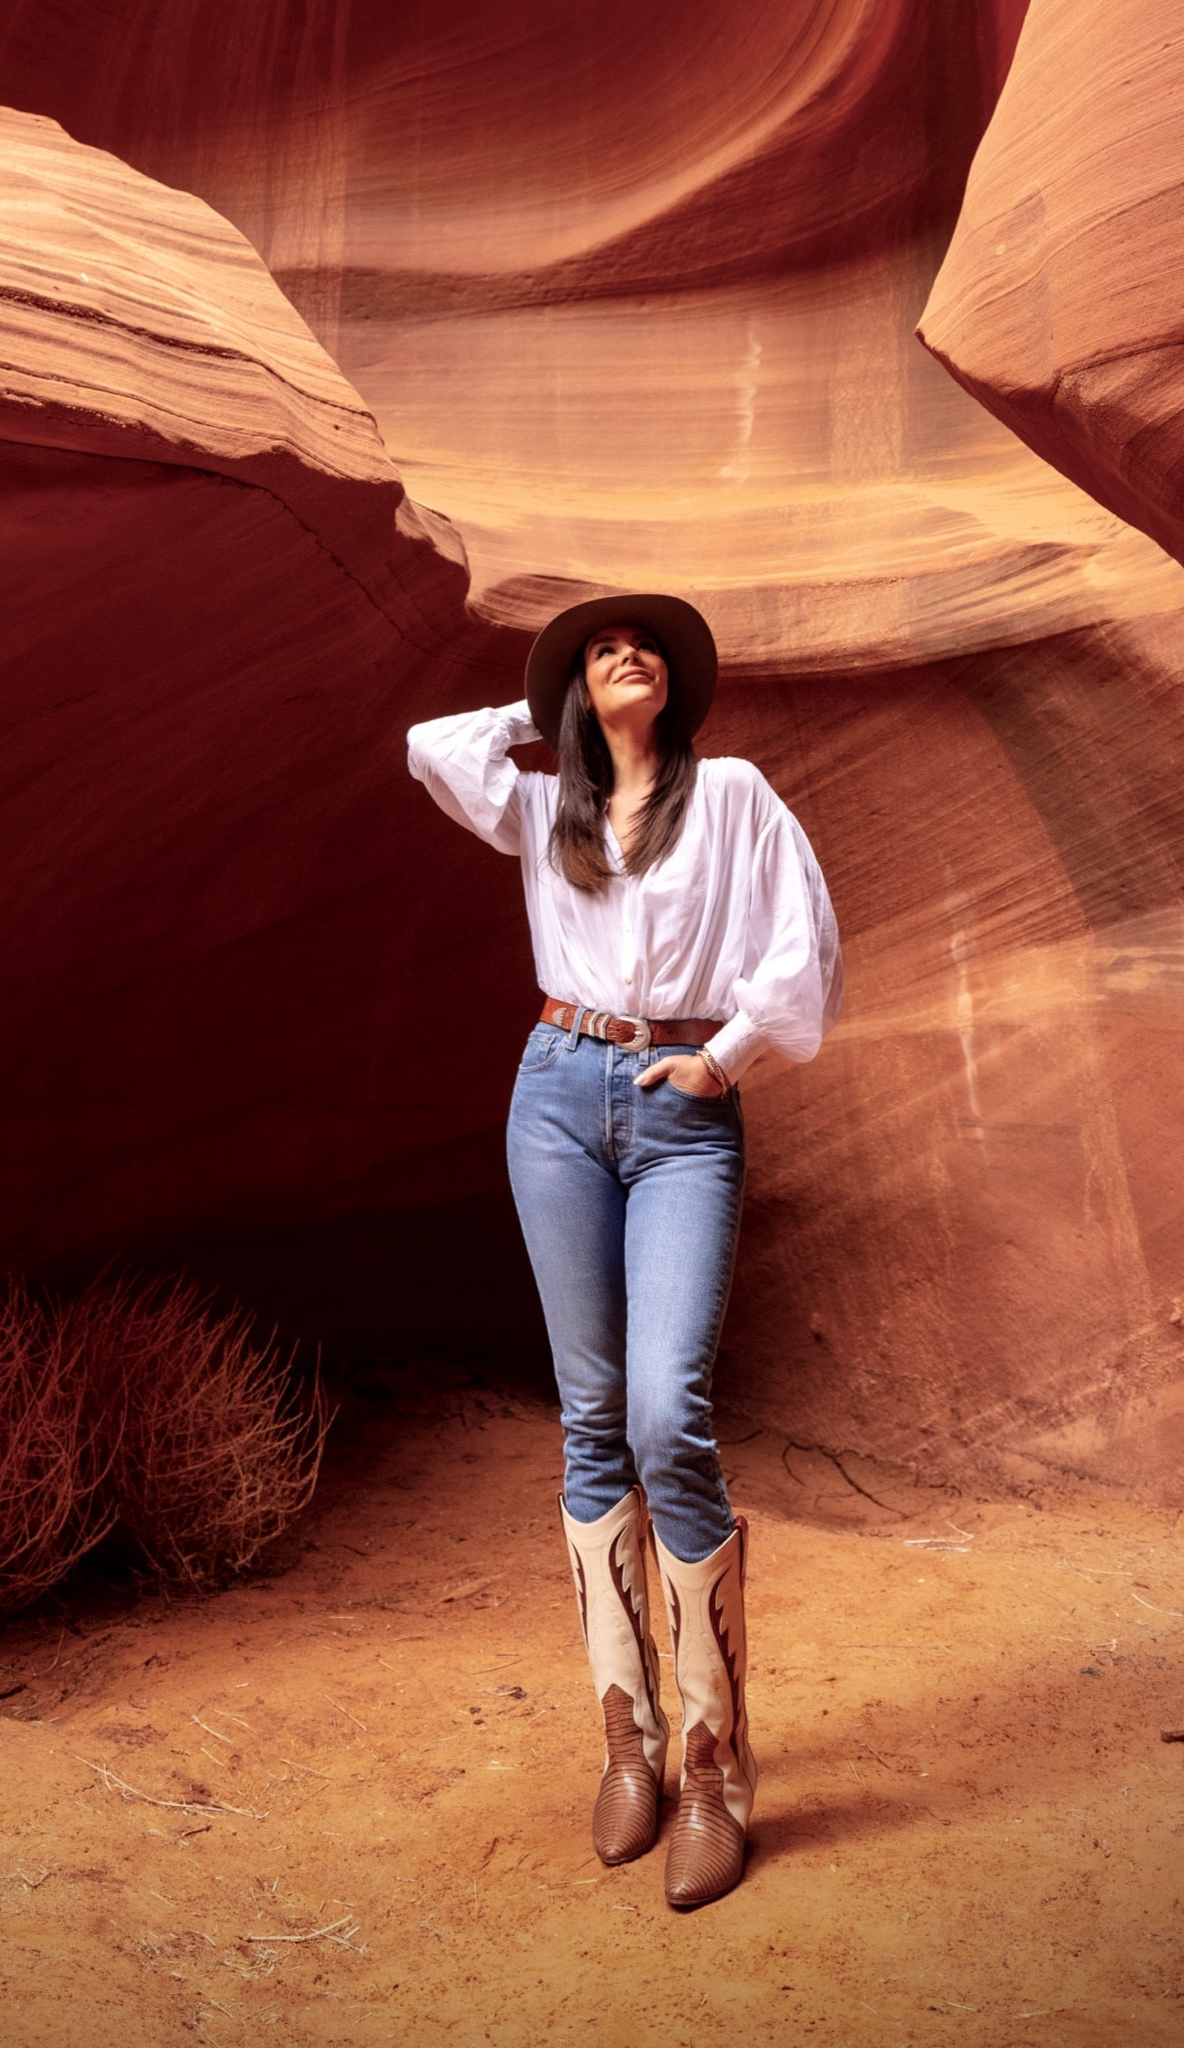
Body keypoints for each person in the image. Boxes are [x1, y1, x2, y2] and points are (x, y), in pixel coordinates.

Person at [406, 593, 842, 1909]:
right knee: (592, 1417)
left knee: (665, 1414)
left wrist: (720, 1059)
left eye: (644, 646)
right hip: (551, 1088)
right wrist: (548, 724)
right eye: (599, 650)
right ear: (575, 693)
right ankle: (627, 1739)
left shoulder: (740, 796)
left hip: (674, 1104)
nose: (625, 655)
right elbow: (434, 747)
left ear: (679, 684)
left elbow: (800, 943)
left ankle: (710, 1762)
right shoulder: (547, 810)